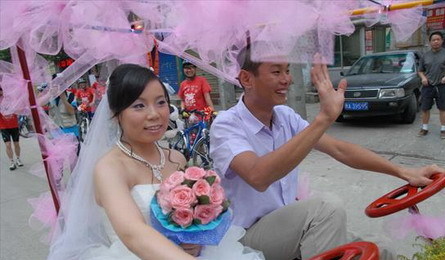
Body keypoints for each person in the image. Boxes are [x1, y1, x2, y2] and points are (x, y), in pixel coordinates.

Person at [209, 46, 445, 259]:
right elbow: (258, 176)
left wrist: (404, 171)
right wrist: (324, 118)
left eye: (287, 70)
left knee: (381, 252)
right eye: (276, 72)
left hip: (291, 226)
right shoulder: (227, 124)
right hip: (248, 237)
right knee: (324, 208)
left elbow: (340, 150)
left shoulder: (286, 117)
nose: (287, 80)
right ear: (247, 79)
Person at [48, 64, 264, 260]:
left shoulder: (176, 158)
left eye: (160, 103)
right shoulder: (110, 168)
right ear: (116, 113)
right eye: (139, 106)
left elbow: (192, 220)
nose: (154, 114)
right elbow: (133, 233)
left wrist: (197, 240)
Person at [417, 31, 445, 139]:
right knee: (425, 108)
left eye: (438, 39)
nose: (436, 41)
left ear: (442, 41)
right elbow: (420, 70)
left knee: (443, 108)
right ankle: (424, 128)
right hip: (427, 86)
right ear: (430, 42)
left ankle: (443, 129)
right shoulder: (425, 56)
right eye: (433, 40)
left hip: (442, 85)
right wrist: (423, 78)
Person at [0, 87, 24, 171]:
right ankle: (11, 162)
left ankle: (18, 159)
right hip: (3, 126)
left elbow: (19, 108)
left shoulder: (12, 99)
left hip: (14, 125)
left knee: (16, 143)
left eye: (1, 90)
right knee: (8, 144)